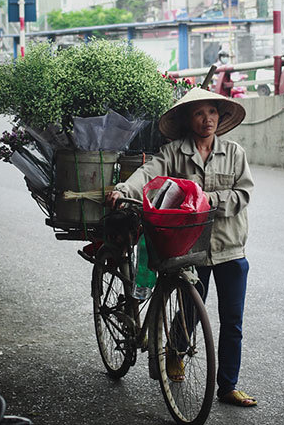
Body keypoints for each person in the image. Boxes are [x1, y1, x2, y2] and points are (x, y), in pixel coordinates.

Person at [106, 87, 256, 407]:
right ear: (189, 119)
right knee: (189, 308)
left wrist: (206, 200)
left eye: (212, 112)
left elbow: (242, 194)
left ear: (220, 116)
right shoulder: (174, 153)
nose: (207, 119)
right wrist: (123, 189)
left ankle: (228, 385)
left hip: (230, 246)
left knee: (232, 320)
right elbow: (148, 174)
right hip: (191, 245)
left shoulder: (234, 153)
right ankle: (175, 352)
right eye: (199, 113)